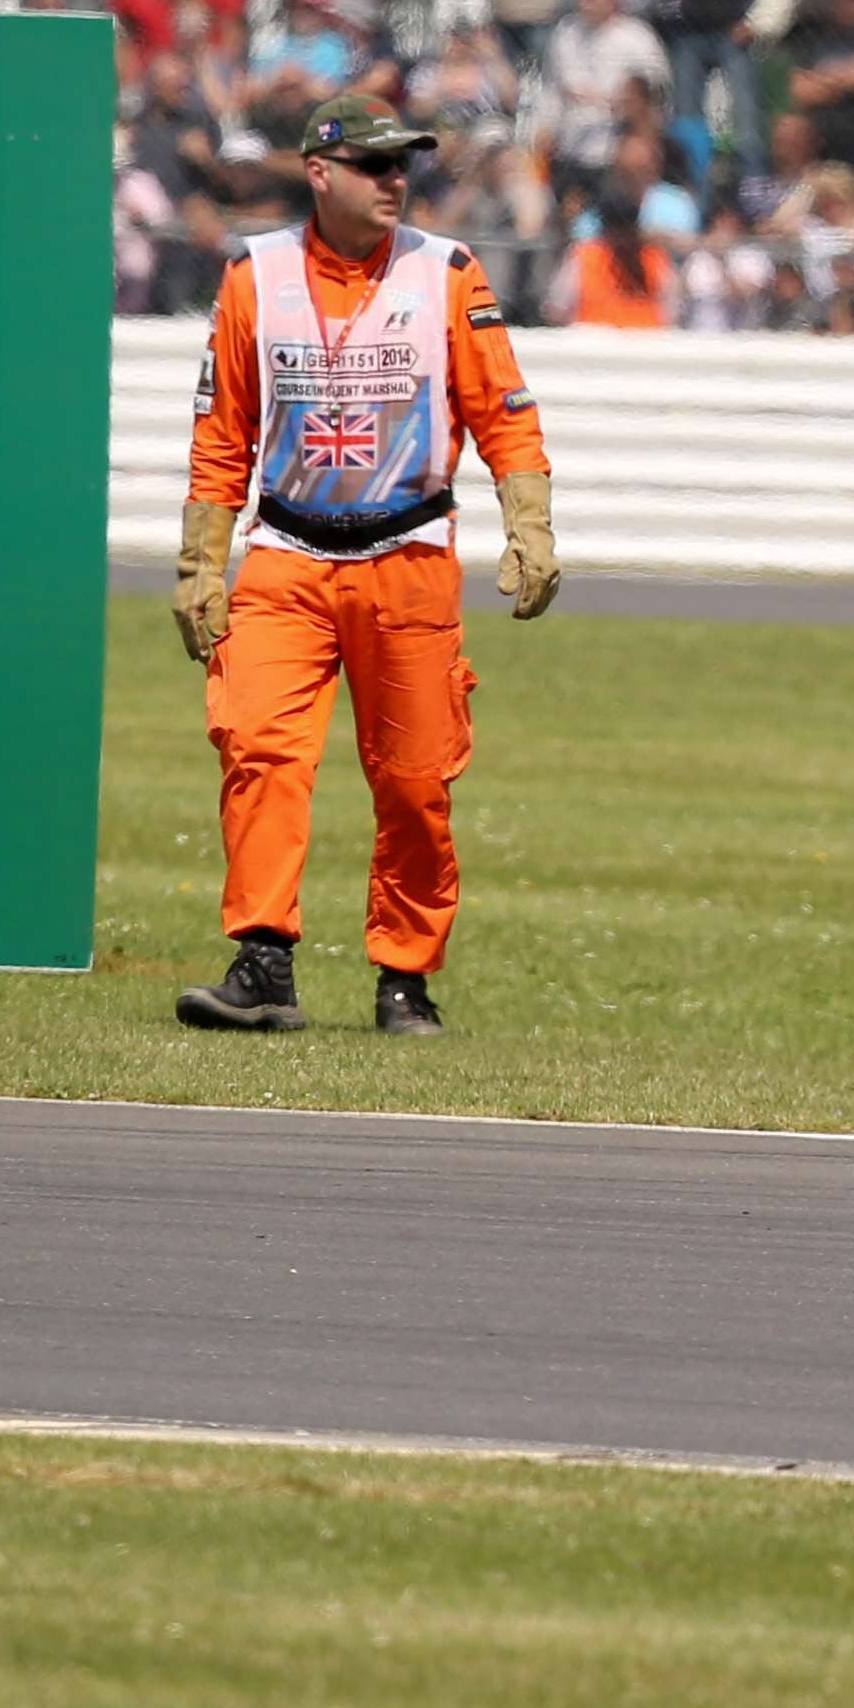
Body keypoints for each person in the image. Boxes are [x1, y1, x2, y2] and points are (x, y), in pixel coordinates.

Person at [168, 93, 563, 1038]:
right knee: (258, 749)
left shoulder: (448, 274)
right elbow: (222, 432)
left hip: (411, 552)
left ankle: (405, 976)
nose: (396, 182)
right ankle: (263, 963)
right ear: (319, 173)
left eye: (405, 167)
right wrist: (200, 562)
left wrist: (530, 522)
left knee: (418, 780)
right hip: (286, 553)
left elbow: (502, 409)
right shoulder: (253, 276)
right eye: (376, 166)